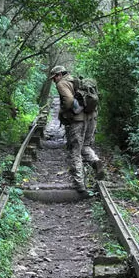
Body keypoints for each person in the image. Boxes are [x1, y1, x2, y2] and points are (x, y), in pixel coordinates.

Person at [50, 64, 103, 194]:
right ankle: (96, 161)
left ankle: (80, 184)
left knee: (75, 150)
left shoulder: (62, 83)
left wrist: (62, 111)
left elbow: (68, 101)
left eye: (54, 77)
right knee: (85, 146)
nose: (53, 80)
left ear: (60, 74)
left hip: (78, 121)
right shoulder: (75, 80)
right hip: (91, 117)